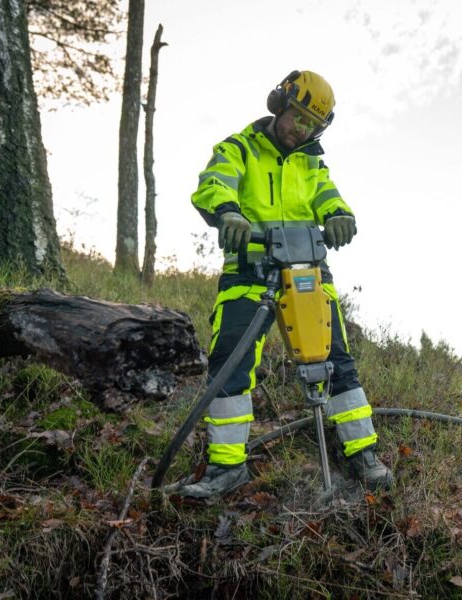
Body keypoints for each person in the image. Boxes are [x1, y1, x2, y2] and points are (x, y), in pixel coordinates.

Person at [177, 70, 393, 498]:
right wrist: (228, 212)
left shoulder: (312, 160)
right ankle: (226, 467)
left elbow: (326, 194)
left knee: (335, 361)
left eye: (313, 124)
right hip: (250, 270)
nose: (303, 129)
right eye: (298, 118)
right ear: (279, 105)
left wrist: (338, 215)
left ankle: (363, 455)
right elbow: (213, 183)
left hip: (307, 271)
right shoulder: (239, 148)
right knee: (230, 363)